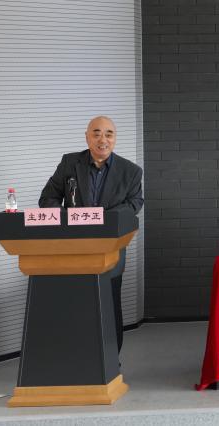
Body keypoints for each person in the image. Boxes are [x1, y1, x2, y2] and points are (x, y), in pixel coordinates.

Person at [39, 116, 143, 352]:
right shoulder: (69, 163)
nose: (102, 139)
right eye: (96, 133)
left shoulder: (131, 171)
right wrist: (67, 219)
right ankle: (77, 356)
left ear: (115, 139)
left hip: (110, 250)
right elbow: (48, 198)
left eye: (108, 134)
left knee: (110, 304)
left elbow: (135, 202)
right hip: (72, 249)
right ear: (87, 137)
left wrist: (101, 219)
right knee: (75, 305)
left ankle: (112, 359)